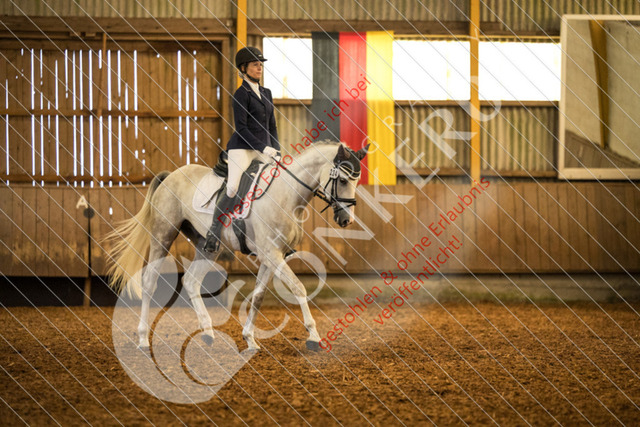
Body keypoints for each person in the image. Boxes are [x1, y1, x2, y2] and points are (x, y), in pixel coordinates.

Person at [204, 46, 280, 252]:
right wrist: (263, 147)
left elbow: (272, 126)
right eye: (255, 65)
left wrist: (277, 150)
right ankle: (213, 231)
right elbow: (242, 128)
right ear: (244, 68)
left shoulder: (266, 93)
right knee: (233, 187)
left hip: (264, 149)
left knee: (275, 184)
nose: (259, 68)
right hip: (242, 148)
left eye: (260, 64)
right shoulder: (241, 94)